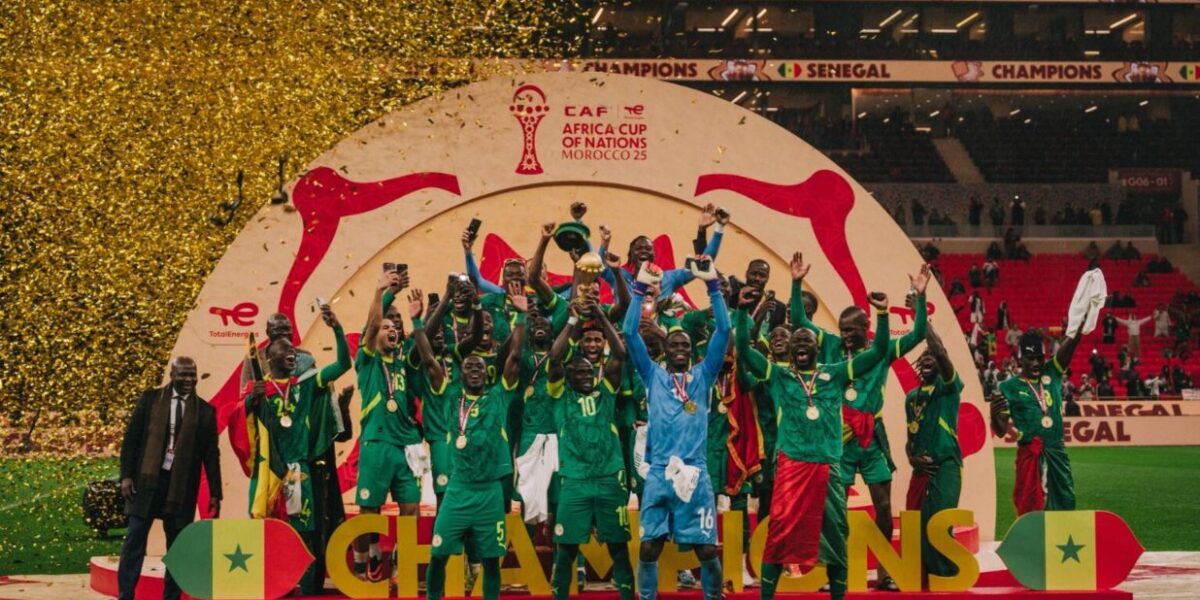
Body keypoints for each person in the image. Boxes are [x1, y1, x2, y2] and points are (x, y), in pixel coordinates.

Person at [736, 284, 892, 600]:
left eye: (807, 341)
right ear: (792, 351)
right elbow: (744, 349)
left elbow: (878, 352)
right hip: (791, 467)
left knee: (835, 537)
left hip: (826, 468)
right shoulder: (778, 375)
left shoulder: (836, 373)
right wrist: (740, 312)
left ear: (817, 349)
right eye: (797, 342)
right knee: (779, 538)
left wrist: (884, 313)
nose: (802, 345)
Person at [790, 254, 929, 591]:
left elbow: (918, 334)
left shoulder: (882, 349)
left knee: (883, 506)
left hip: (871, 439)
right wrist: (795, 284)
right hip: (838, 438)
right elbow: (800, 322)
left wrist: (921, 297)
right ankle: (833, 571)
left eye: (851, 331)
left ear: (866, 329)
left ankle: (885, 572)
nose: (845, 336)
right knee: (833, 509)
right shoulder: (831, 345)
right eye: (842, 331)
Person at [623, 256, 730, 600]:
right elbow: (629, 333)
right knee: (649, 546)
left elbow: (724, 332)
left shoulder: (703, 376)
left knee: (707, 550)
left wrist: (713, 286)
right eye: (674, 345)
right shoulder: (652, 375)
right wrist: (638, 290)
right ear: (665, 350)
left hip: (695, 473)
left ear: (692, 351)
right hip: (658, 472)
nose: (680, 348)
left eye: (685, 345)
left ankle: (713, 596)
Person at [417, 281, 528, 600]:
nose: (475, 369)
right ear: (461, 374)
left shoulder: (499, 396)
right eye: (469, 366)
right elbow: (428, 360)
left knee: (491, 561)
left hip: (490, 492)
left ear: (487, 372)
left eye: (480, 366)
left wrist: (521, 317)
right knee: (438, 556)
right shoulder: (450, 396)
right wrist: (415, 321)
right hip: (458, 491)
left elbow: (515, 357)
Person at [245, 304, 352, 594]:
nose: (292, 353)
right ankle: (273, 587)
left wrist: (337, 329)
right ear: (270, 356)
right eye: (285, 350)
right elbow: (243, 426)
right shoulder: (259, 388)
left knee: (305, 534)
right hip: (268, 471)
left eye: (293, 348)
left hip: (299, 472)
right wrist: (250, 401)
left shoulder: (307, 383)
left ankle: (307, 588)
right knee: (268, 531)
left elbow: (343, 365)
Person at [546, 300, 635, 600]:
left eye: (589, 371)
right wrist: (572, 322)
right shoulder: (560, 396)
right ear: (569, 376)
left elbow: (619, 354)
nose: (586, 375)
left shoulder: (605, 392)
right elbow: (555, 358)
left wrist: (600, 316)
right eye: (580, 371)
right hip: (575, 482)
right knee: (566, 551)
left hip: (609, 479)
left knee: (618, 548)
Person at [118, 357, 222, 600]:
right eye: (183, 374)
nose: (189, 379)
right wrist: (126, 476)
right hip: (146, 483)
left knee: (176, 549)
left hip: (180, 487)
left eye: (192, 374)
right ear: (172, 375)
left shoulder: (205, 412)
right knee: (134, 541)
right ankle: (125, 595)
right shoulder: (150, 399)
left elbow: (211, 455)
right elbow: (131, 440)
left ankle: (171, 597)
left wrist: (216, 493)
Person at [352, 271, 425, 580]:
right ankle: (362, 564)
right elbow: (370, 326)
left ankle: (399, 561)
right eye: (386, 327)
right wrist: (381, 292)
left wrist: (418, 319)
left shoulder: (403, 362)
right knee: (369, 511)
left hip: (405, 445)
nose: (392, 329)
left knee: (411, 508)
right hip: (377, 443)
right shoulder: (367, 361)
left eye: (395, 327)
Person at [989, 325, 1084, 515]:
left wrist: (1080, 324)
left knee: (1066, 501)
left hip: (1056, 451)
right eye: (1030, 358)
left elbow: (1072, 343)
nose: (1035, 363)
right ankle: (1034, 534)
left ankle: (1061, 534)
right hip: (1030, 453)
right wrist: (994, 414)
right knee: (1033, 508)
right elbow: (1000, 431)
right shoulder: (1009, 387)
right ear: (1020, 358)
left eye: (1039, 358)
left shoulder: (1052, 371)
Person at [904, 324, 963, 582]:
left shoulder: (949, 387)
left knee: (939, 525)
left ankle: (946, 579)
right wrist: (911, 457)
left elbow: (939, 350)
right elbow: (910, 438)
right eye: (924, 356)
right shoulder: (911, 398)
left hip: (945, 466)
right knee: (916, 527)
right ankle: (922, 581)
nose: (928, 358)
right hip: (919, 471)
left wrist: (921, 316)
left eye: (932, 356)